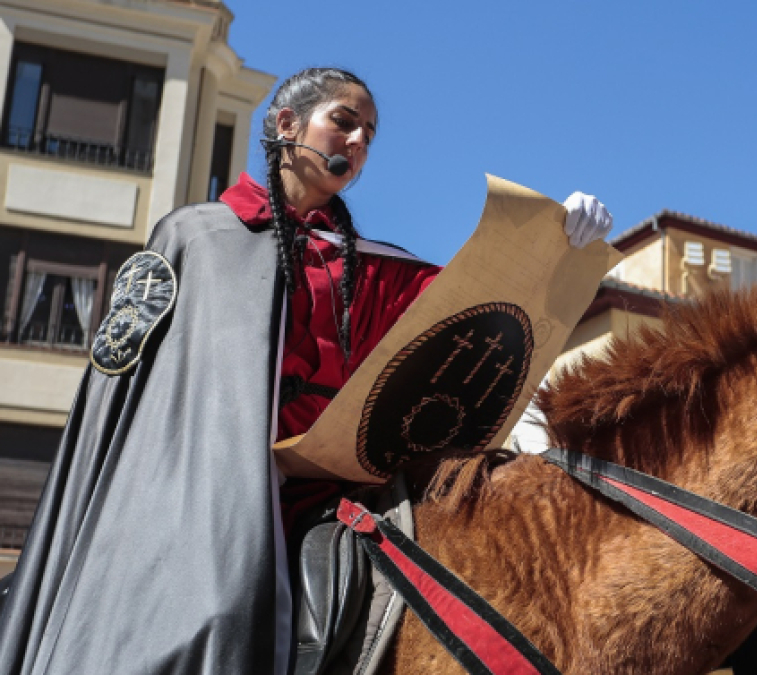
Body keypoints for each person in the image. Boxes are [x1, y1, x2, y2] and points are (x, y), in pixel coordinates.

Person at [0, 67, 612, 675]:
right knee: (218, 609)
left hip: (334, 494)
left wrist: (560, 242)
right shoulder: (196, 237)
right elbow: (126, 387)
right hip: (203, 494)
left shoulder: (372, 268)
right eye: (344, 123)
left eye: (369, 136)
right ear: (286, 123)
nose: (358, 143)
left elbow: (475, 305)